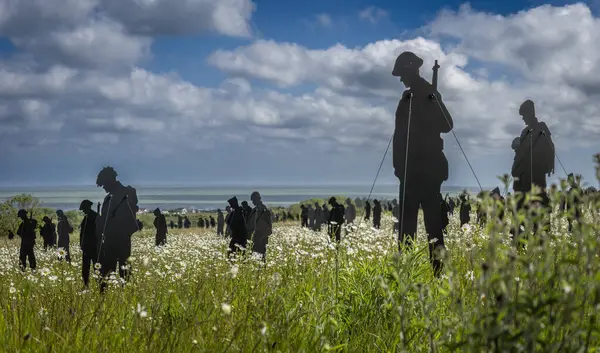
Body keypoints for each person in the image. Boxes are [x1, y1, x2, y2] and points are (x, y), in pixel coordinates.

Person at [392, 51, 454, 277]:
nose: (401, 79)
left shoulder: (429, 93)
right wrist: (399, 168)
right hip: (409, 170)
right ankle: (405, 273)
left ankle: (437, 273)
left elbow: (447, 125)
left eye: (402, 74)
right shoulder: (407, 98)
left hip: (427, 170)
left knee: (433, 226)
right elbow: (399, 135)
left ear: (410, 70)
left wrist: (435, 101)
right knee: (406, 228)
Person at [511, 100, 555, 244]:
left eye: (524, 115)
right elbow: (519, 154)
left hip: (536, 180)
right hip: (522, 181)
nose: (523, 118)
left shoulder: (541, 128)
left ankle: (541, 249)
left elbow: (549, 149)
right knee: (520, 218)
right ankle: (519, 249)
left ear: (531, 113)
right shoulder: (524, 132)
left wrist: (546, 164)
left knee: (539, 217)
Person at [95, 166, 139, 292]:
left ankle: (122, 294)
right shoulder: (110, 197)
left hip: (120, 238)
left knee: (122, 269)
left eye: (104, 184)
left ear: (110, 181)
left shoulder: (127, 193)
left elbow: (127, 214)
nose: (104, 188)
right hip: (111, 238)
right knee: (111, 270)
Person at [246, 192, 272, 261]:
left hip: (260, 237)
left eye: (253, 200)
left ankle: (261, 270)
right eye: (252, 200)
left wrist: (263, 236)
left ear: (258, 199)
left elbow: (269, 226)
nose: (253, 202)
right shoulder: (258, 210)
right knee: (257, 256)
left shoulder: (263, 210)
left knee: (259, 257)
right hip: (258, 237)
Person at [79, 200, 98, 288]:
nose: (83, 211)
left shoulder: (94, 216)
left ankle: (98, 284)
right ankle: (85, 284)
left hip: (93, 246)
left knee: (96, 267)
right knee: (85, 268)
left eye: (84, 209)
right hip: (86, 246)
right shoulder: (89, 216)